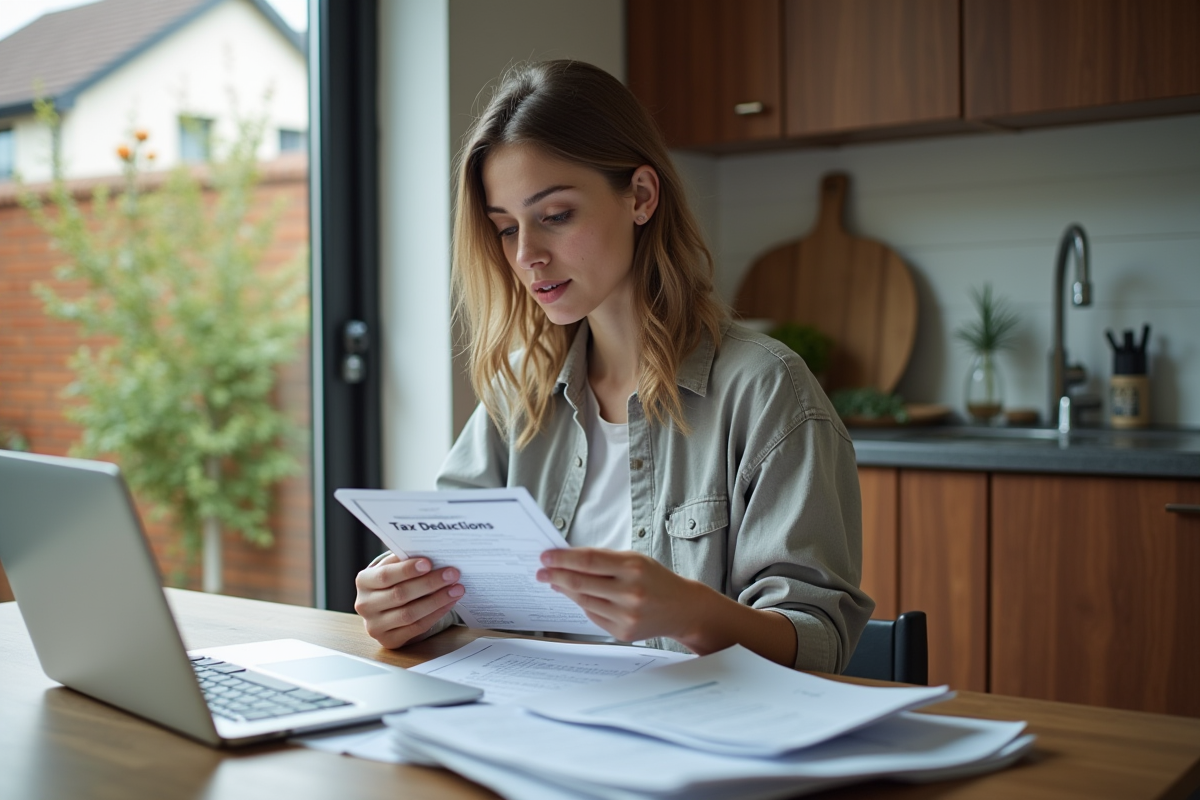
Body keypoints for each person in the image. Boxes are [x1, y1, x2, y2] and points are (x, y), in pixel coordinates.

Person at [353, 60, 873, 671]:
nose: (527, 256)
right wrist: (404, 603)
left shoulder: (766, 390)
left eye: (555, 216)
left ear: (641, 197)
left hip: (691, 742)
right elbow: (453, 584)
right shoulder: (516, 391)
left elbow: (818, 646)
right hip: (533, 728)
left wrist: (689, 612)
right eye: (504, 228)